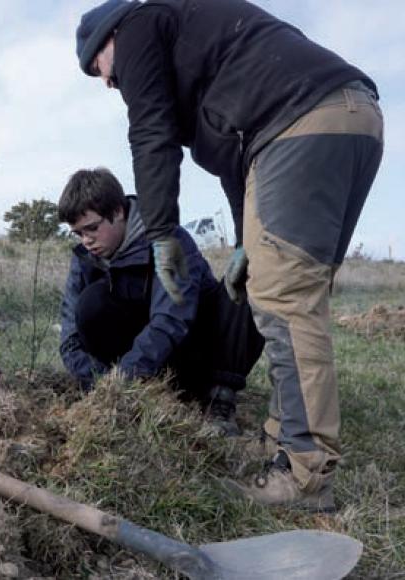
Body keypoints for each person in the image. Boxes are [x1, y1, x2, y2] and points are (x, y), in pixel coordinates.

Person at [74, 0, 384, 510]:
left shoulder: (138, 25)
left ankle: (305, 476)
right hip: (350, 118)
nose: (107, 83)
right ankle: (283, 438)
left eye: (98, 68)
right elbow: (235, 162)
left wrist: (162, 230)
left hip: (300, 124)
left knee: (286, 301)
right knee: (291, 292)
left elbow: (151, 133)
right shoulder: (210, 52)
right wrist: (243, 239)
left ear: (110, 38)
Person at [59, 167, 264, 435]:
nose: (86, 240)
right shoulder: (83, 260)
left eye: (93, 228)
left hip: (196, 352)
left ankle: (219, 401)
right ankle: (147, 393)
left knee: (248, 284)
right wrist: (102, 383)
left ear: (119, 212)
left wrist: (122, 378)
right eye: (78, 233)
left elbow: (171, 320)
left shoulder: (170, 240)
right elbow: (69, 340)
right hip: (144, 370)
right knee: (90, 305)